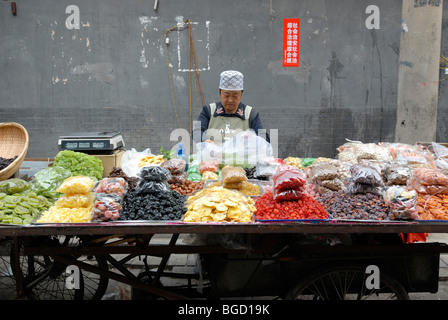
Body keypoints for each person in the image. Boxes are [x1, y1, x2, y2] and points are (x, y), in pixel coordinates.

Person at [195, 70, 269, 145]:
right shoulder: (209, 110)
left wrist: (253, 138)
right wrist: (206, 141)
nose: (230, 100)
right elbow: (196, 132)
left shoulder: (250, 114)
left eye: (235, 96)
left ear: (241, 95)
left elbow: (265, 139)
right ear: (220, 93)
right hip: (213, 155)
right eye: (226, 95)